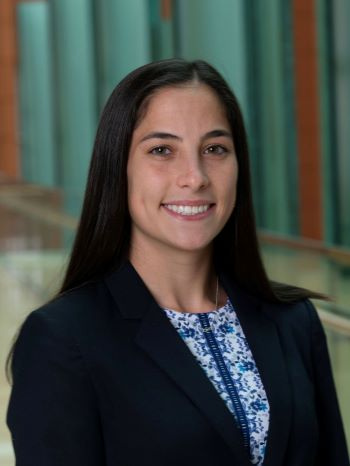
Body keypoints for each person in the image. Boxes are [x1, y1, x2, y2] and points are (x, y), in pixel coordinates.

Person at [6, 59, 349, 466]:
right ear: (119, 169)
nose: (195, 176)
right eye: (162, 150)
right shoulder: (64, 339)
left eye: (214, 149)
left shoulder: (293, 321)